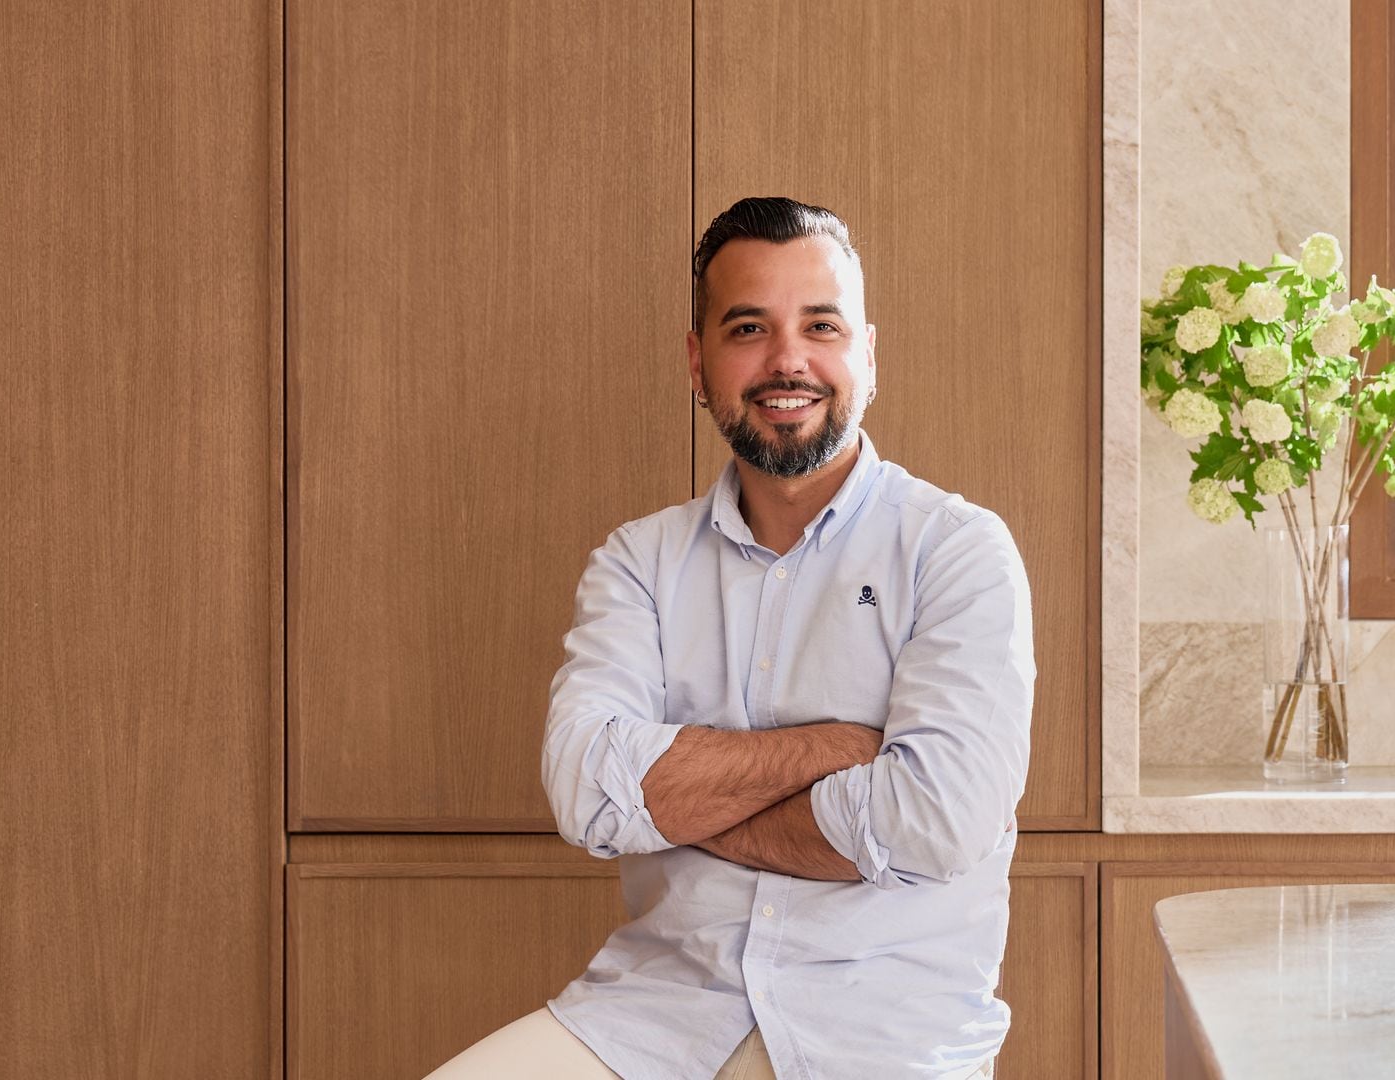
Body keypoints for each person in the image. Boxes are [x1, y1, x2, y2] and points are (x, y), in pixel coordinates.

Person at [425, 196, 1035, 1079]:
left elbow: (932, 823)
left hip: (884, 1035)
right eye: (748, 327)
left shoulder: (956, 549)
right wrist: (833, 750)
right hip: (653, 1016)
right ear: (697, 362)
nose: (788, 360)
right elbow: (588, 792)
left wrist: (676, 807)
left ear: (868, 353)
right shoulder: (639, 562)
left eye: (820, 326)